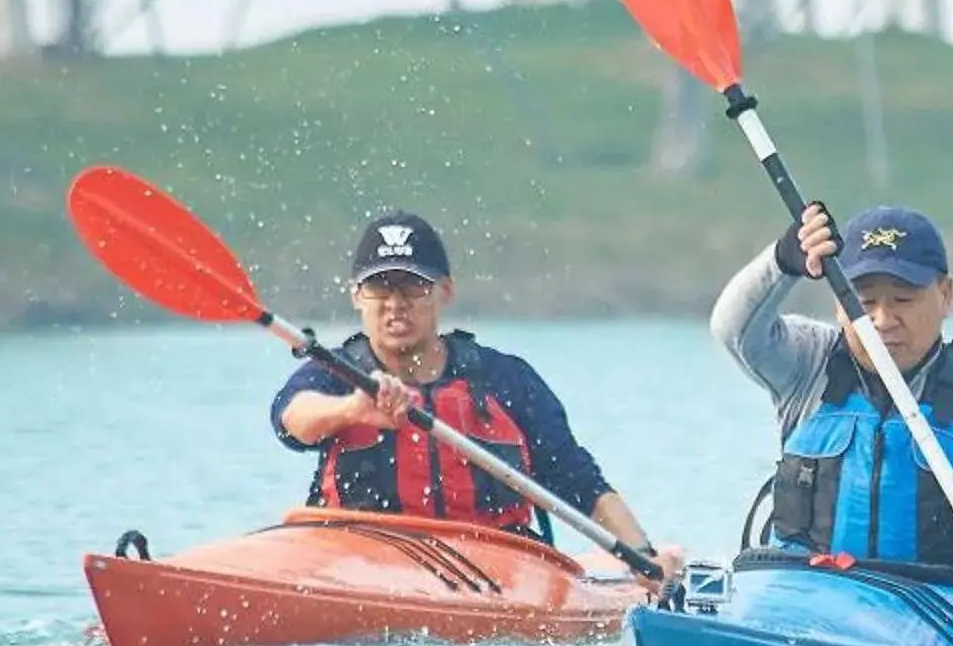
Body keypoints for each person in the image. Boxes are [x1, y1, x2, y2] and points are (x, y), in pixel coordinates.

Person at [274, 212, 681, 587]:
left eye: (414, 286)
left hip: (495, 565)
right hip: (361, 558)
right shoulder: (337, 372)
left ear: (445, 291)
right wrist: (352, 409)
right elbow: (291, 419)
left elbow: (581, 483)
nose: (395, 303)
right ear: (356, 296)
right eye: (380, 286)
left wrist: (643, 556)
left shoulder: (505, 380)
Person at [710, 200, 953, 610]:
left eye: (902, 299)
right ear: (838, 303)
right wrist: (783, 259)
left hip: (946, 607)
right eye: (863, 299)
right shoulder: (806, 364)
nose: (882, 319)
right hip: (801, 596)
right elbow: (733, 329)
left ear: (945, 295)